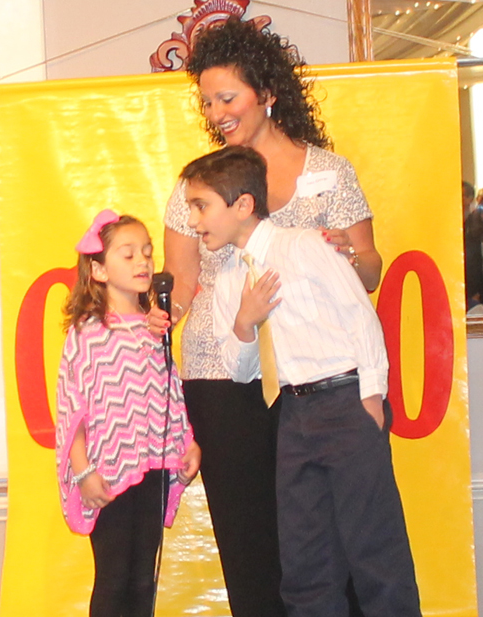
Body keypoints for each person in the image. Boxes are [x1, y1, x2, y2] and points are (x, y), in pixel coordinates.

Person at [151, 17, 382, 617]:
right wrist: (155, 314)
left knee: (334, 536)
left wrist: (347, 257)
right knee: (251, 541)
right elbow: (181, 286)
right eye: (206, 100)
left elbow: (371, 271)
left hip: (317, 376)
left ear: (268, 91)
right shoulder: (198, 183)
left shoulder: (330, 173)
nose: (216, 111)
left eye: (227, 97)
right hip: (223, 377)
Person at [182, 145, 422, 617]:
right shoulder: (232, 276)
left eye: (201, 206)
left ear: (243, 205)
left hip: (346, 400)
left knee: (375, 550)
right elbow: (239, 368)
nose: (193, 220)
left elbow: (360, 317)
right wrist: (246, 323)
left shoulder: (306, 245)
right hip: (291, 415)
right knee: (304, 561)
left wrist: (371, 396)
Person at [55, 209, 200, 617]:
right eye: (128, 254)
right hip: (108, 473)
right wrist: (83, 472)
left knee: (143, 578)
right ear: (98, 270)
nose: (143, 262)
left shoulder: (157, 328)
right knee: (114, 575)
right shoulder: (87, 332)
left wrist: (187, 443)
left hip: (152, 469)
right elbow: (73, 407)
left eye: (148, 253)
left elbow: (169, 391)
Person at [463, 181, 483, 309]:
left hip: (474, 293)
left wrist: (478, 292)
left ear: (469, 199)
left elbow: (478, 258)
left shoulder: (476, 222)